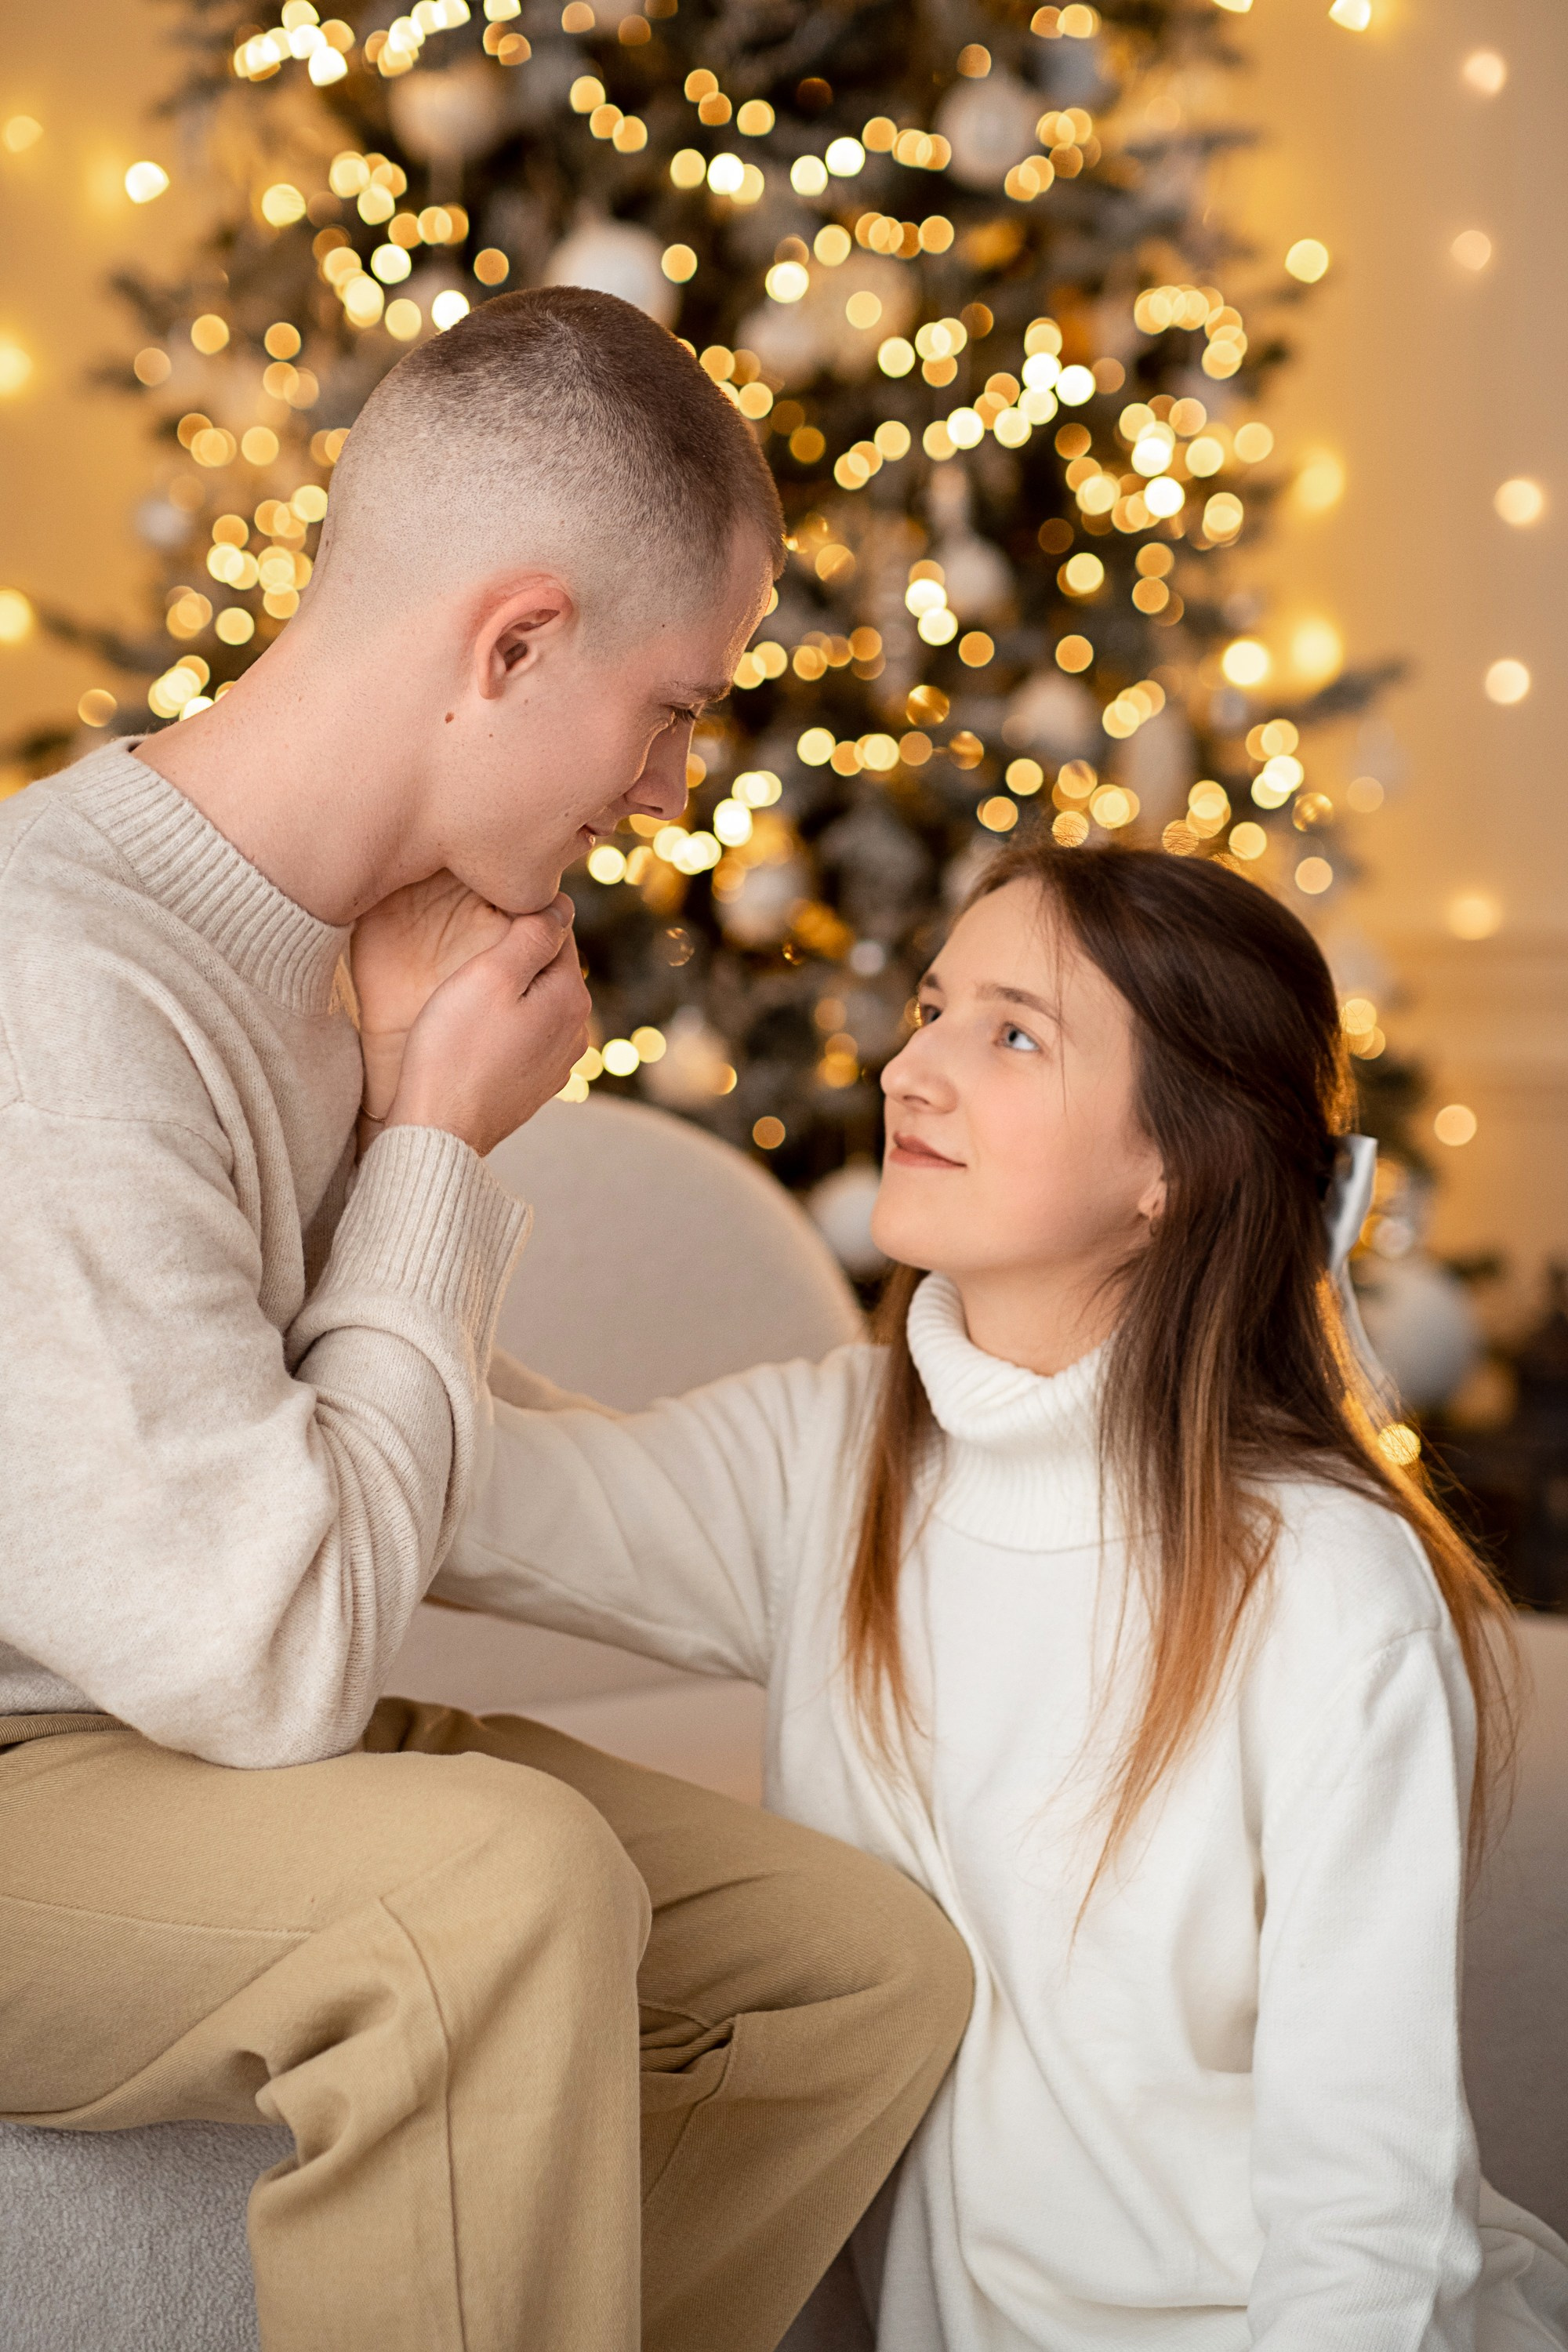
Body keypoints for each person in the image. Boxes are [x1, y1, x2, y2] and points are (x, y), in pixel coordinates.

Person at [0, 287, 972, 2352]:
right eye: (670, 706)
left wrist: (884, 1550)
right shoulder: (64, 982)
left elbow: (363, 1437)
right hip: (41, 1764)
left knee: (858, 1967)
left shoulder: (327, 955)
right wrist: (431, 1141)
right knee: (496, 1890)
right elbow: (266, 1657)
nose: (670, 782)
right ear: (515, 643)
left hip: (149, 1734)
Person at [430, 840, 1568, 2350]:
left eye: (1014, 1033)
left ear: (1173, 1163)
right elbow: (452, 1479)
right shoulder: (836, 1460)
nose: (913, 1070)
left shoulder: (1320, 1584)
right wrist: (415, 1141)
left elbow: (1370, 2205)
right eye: (932, 1009)